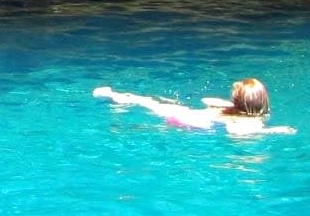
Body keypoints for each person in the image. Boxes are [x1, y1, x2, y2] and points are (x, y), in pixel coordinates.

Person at [93, 79, 295, 136]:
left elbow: (235, 131)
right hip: (190, 121)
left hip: (189, 116)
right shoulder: (252, 119)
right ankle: (116, 100)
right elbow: (235, 132)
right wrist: (274, 130)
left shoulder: (241, 117)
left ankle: (114, 96)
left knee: (149, 103)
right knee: (152, 108)